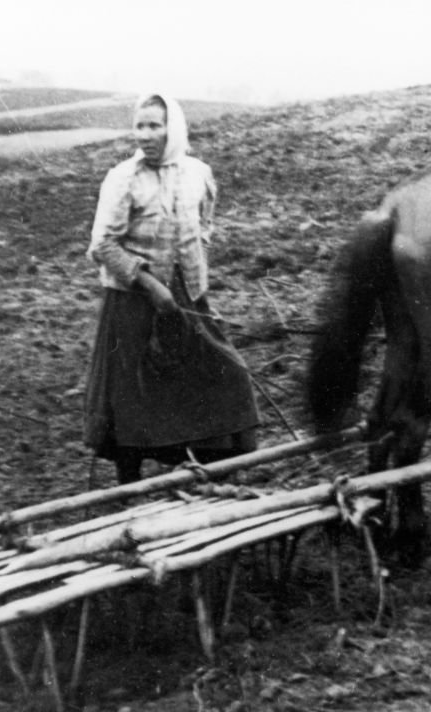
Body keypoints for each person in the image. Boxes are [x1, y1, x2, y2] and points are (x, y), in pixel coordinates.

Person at [84, 93, 259, 483]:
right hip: (133, 302)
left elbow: (205, 227)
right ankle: (127, 485)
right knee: (135, 395)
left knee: (228, 375)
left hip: (187, 299)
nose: (144, 134)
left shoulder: (198, 173)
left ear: (173, 128)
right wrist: (148, 281)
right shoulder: (123, 179)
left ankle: (215, 472)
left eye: (154, 126)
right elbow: (102, 246)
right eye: (140, 125)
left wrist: (190, 276)